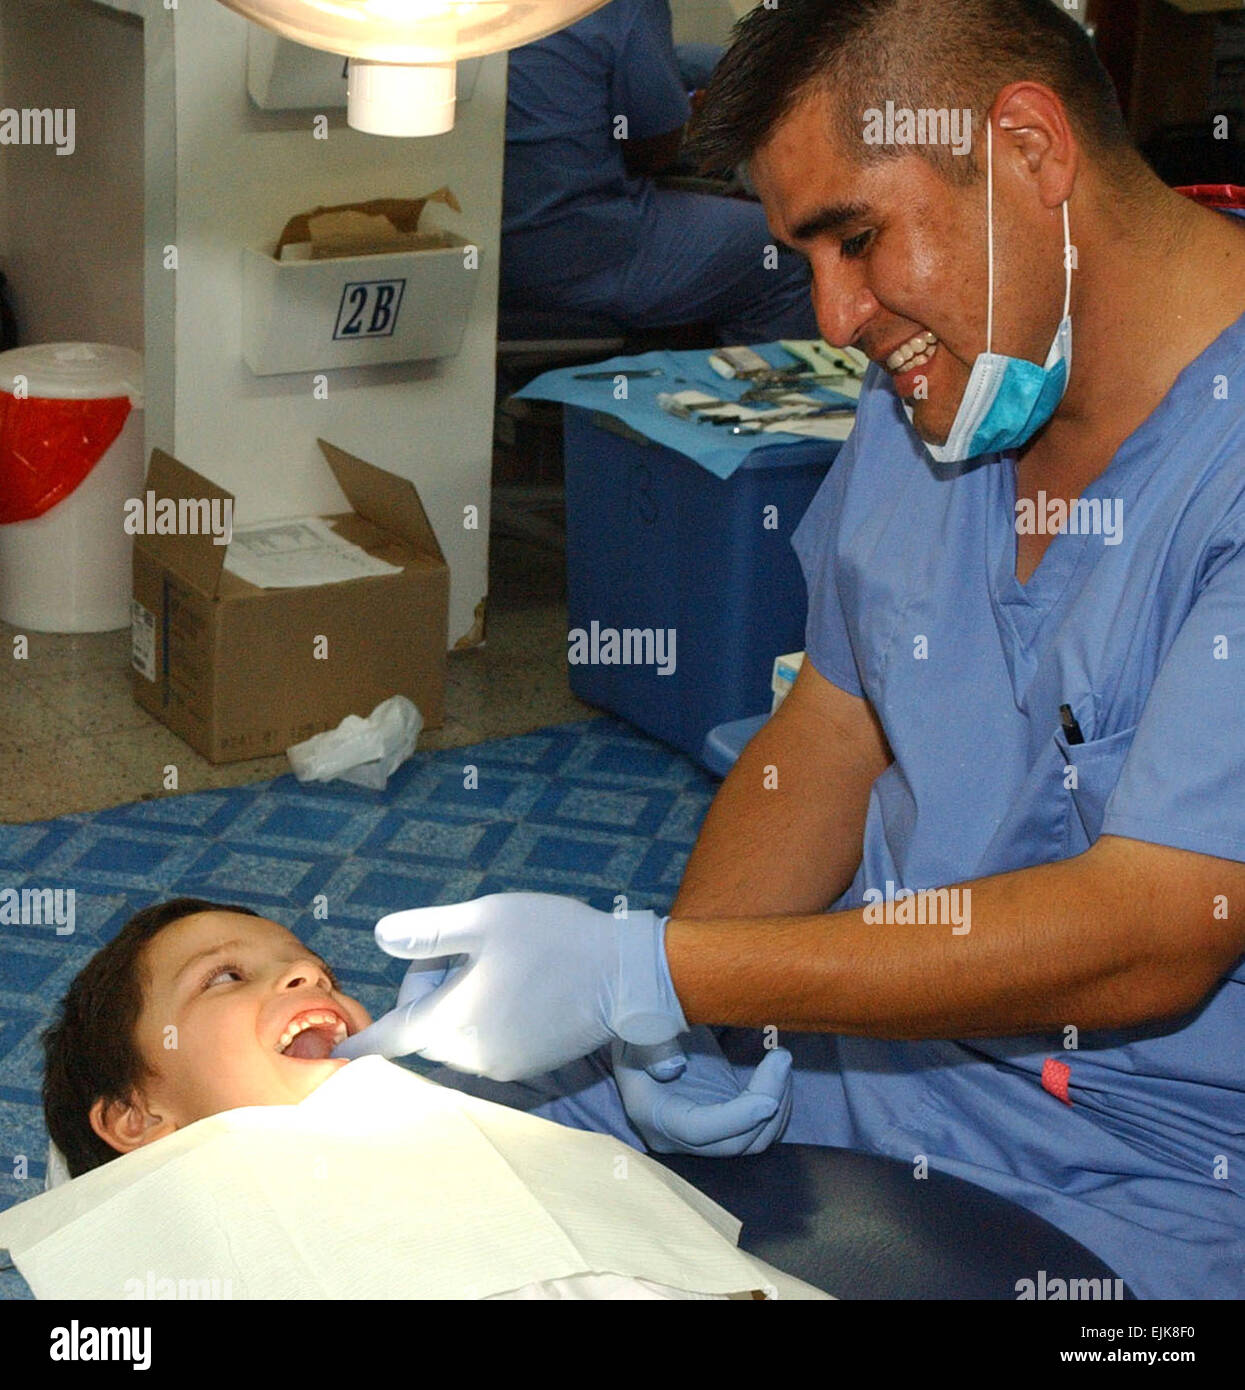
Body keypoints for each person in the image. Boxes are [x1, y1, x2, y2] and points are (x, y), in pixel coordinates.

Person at [337, 0, 1245, 1301]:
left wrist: (659, 968)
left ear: (1032, 151)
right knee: (404, 1147)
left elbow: (1155, 928)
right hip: (859, 1057)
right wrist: (674, 1021)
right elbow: (829, 724)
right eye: (804, 254)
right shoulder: (939, 386)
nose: (832, 314)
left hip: (1130, 1182)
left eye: (858, 238)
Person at [32, 897, 819, 1300]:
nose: (308, 977)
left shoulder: (452, 1104)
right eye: (225, 977)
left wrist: (633, 1058)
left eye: (316, 970)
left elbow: (562, 1123)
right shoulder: (177, 1259)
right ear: (137, 1117)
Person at [500, 0, 819, 343]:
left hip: (496, 247)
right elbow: (653, 153)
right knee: (788, 247)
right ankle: (756, 389)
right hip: (579, 249)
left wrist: (687, 69)